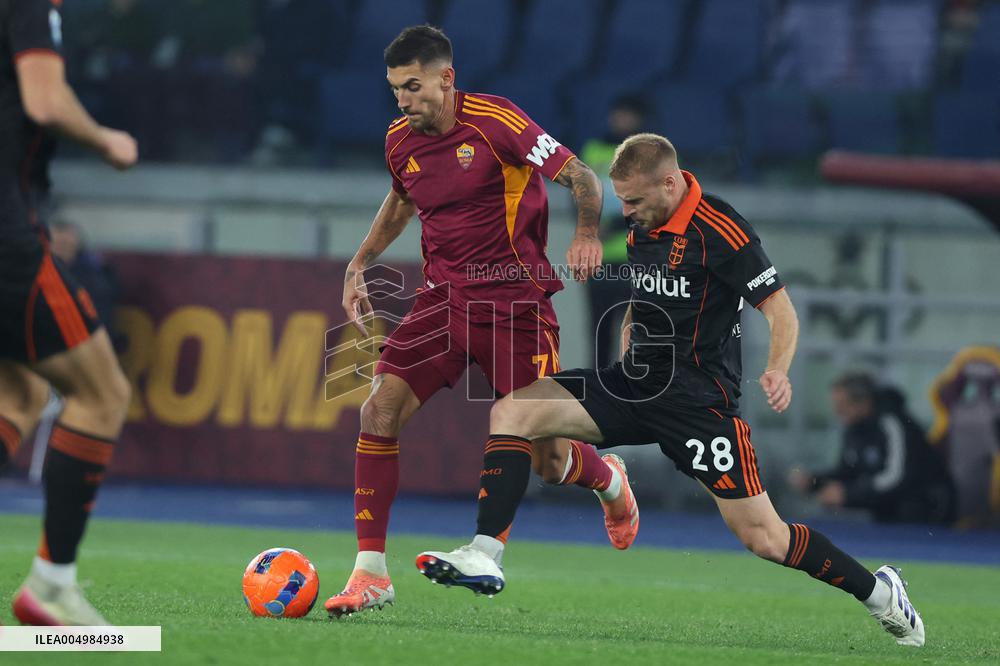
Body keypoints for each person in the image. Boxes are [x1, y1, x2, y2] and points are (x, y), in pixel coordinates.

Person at [416, 134, 925, 648]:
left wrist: (778, 369)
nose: (627, 212)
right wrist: (631, 325)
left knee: (766, 539)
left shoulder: (722, 231)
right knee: (512, 411)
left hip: (698, 406)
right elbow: (649, 290)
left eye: (634, 201)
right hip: (634, 384)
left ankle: (881, 593)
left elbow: (780, 309)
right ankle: (485, 553)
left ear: (670, 181)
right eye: (622, 201)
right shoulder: (645, 226)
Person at [327, 25, 639, 618]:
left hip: (516, 305)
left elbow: (581, 176)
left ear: (446, 79)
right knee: (377, 409)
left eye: (413, 87)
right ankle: (370, 574)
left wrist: (587, 231)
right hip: (442, 303)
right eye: (395, 89)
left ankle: (610, 481)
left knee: (548, 458)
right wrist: (361, 259)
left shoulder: (497, 123)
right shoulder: (400, 140)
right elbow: (401, 201)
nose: (403, 100)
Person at [1, 0, 137, 625]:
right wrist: (107, 139)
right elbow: (45, 101)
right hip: (7, 240)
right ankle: (51, 588)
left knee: (20, 394)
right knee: (102, 392)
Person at [790, 372, 955, 524]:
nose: (837, 411)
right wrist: (814, 481)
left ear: (864, 402)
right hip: (887, 511)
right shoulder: (853, 428)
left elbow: (896, 477)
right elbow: (848, 470)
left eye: (842, 404)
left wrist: (848, 494)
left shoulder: (892, 423)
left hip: (924, 508)